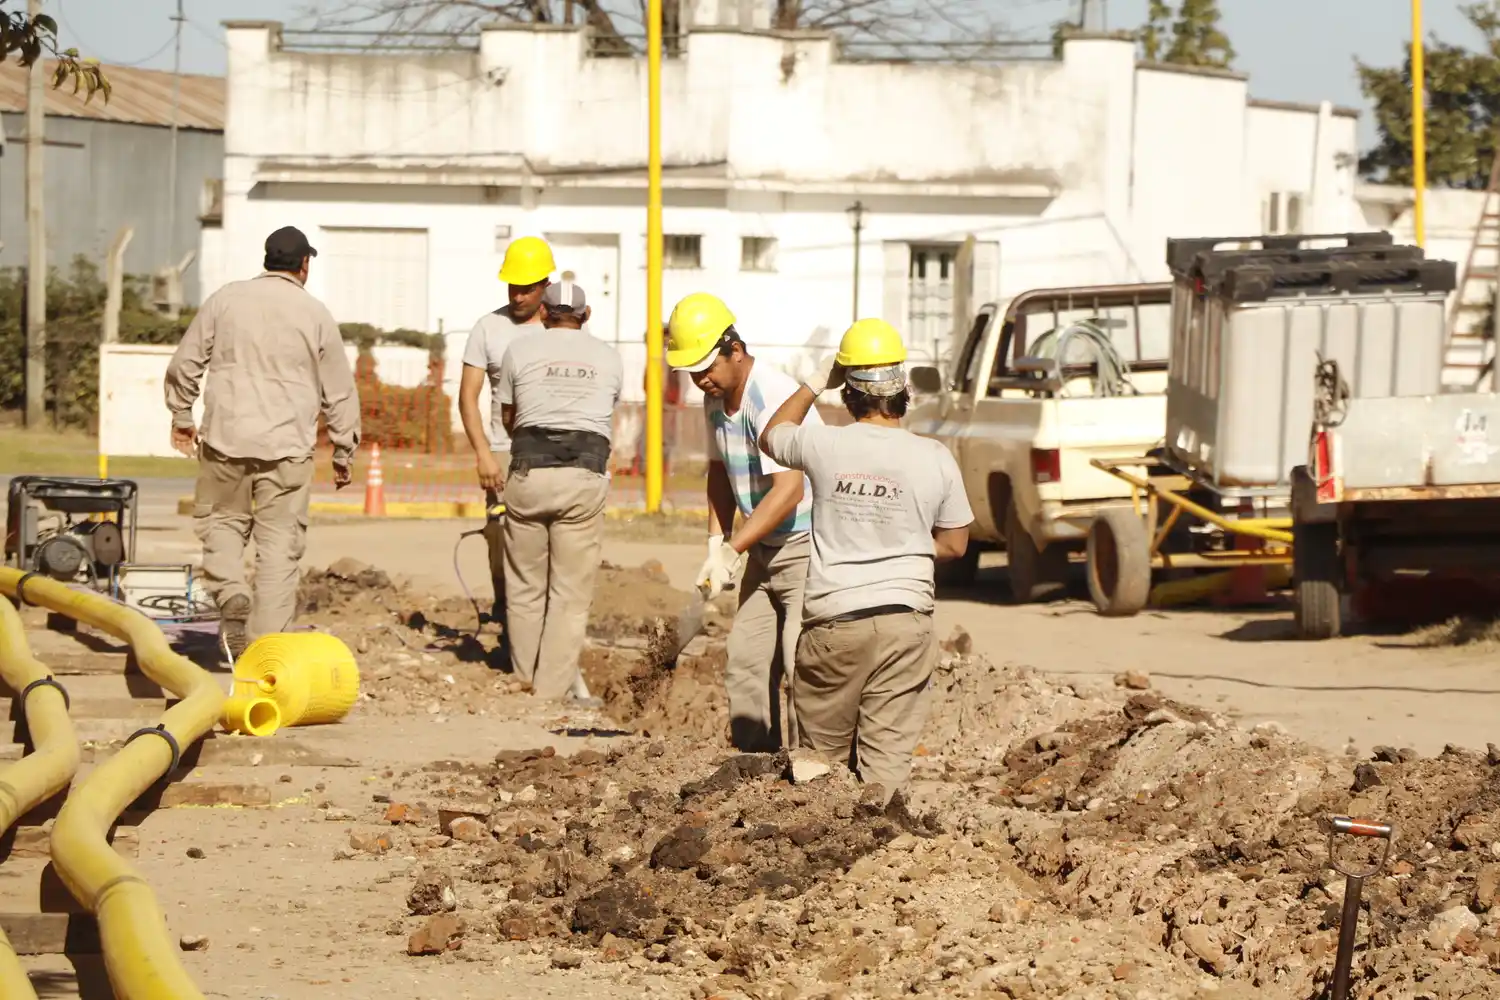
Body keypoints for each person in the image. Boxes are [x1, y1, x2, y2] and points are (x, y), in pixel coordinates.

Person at [757, 318, 973, 806]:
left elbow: (772, 436)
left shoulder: (825, 443)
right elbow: (956, 544)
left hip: (836, 624)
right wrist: (906, 544)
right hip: (906, 623)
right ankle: (880, 859)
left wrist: (815, 382)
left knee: (818, 768)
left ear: (848, 392)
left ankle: (817, 860)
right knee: (887, 769)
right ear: (904, 390)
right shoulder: (935, 456)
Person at [164, 225, 361, 661]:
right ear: (304, 264)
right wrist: (344, 450)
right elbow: (340, 390)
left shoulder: (226, 299)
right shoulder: (315, 314)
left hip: (225, 440)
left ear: (268, 259)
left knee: (222, 524)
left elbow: (187, 361)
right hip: (288, 449)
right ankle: (264, 655)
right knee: (279, 547)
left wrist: (182, 414)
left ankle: (232, 591)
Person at [665, 292, 820, 752]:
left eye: (706, 368)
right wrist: (716, 542)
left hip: (807, 546)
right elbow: (719, 470)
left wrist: (735, 549)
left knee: (801, 664)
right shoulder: (715, 399)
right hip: (764, 547)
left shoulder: (768, 396)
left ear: (735, 349)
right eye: (692, 372)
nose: (700, 380)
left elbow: (789, 490)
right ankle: (757, 769)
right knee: (747, 662)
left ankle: (817, 775)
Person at [498, 279, 624, 700]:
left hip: (529, 474)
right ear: (586, 316)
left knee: (525, 585)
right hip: (583, 477)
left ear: (544, 314)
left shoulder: (519, 350)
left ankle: (524, 674)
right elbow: (606, 412)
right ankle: (550, 694)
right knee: (569, 595)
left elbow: (508, 415)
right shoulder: (608, 357)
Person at [458, 235, 556, 629]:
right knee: (499, 535)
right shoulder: (487, 329)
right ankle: (506, 613)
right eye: (512, 287)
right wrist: (483, 454)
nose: (517, 296)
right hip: (503, 452)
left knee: (548, 541)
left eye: (526, 289)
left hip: (552, 455)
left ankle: (544, 619)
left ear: (545, 285)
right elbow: (468, 396)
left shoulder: (560, 329)